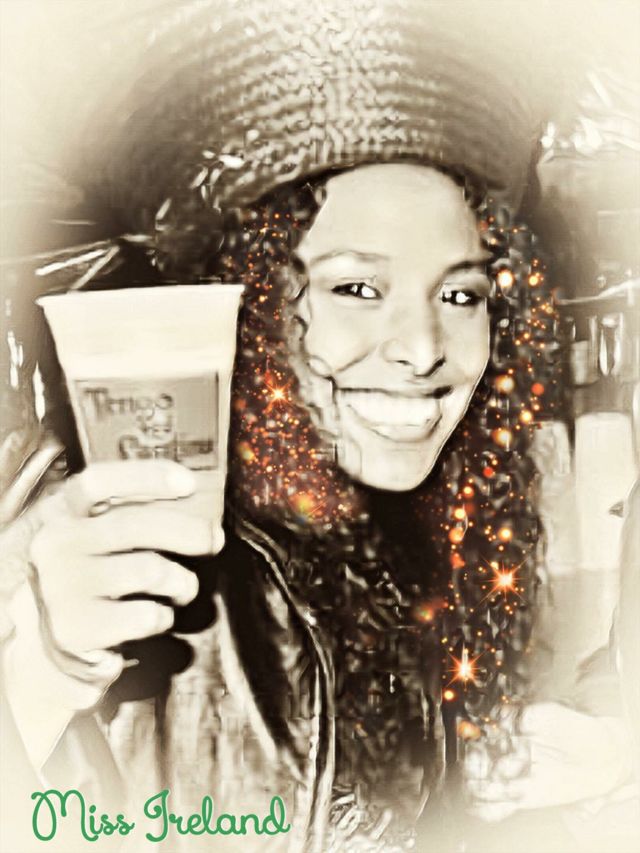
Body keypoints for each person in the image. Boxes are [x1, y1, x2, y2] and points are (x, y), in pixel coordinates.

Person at [0, 2, 634, 851]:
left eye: (460, 293)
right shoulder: (121, 519)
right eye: (356, 288)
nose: (423, 348)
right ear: (252, 304)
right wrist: (39, 670)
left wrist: (601, 776)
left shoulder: (393, 533)